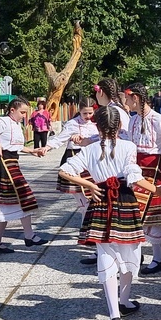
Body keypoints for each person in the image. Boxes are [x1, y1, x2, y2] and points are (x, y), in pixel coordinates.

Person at [60, 105, 159, 320]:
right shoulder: (128, 146)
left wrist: (89, 185)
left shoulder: (90, 150)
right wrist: (157, 189)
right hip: (124, 199)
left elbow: (65, 171)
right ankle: (124, 301)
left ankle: (115, 315)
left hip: (101, 201)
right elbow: (134, 176)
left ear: (97, 125)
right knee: (129, 252)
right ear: (120, 126)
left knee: (106, 254)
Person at [0, 98, 48, 253]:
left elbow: (16, 146)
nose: (24, 116)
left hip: (12, 162)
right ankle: (19, 238)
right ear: (12, 110)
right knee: (12, 200)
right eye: (22, 112)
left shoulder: (15, 124)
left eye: (25, 113)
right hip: (2, 164)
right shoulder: (2, 121)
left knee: (19, 200)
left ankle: (23, 236)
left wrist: (32, 151)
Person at [124, 83, 161, 275]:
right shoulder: (132, 120)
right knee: (135, 211)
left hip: (154, 167)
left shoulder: (158, 119)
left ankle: (158, 257)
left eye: (128, 98)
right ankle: (137, 254)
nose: (126, 102)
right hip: (137, 166)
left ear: (136, 98)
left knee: (154, 213)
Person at [45, 97, 100, 264]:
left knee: (91, 202)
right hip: (76, 159)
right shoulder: (72, 124)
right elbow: (59, 139)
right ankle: (88, 235)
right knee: (85, 202)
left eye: (91, 113)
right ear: (80, 111)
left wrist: (90, 139)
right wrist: (46, 148)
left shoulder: (98, 123)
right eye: (85, 113)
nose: (88, 116)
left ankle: (90, 236)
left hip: (93, 161)